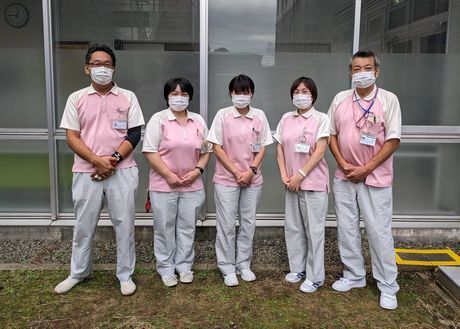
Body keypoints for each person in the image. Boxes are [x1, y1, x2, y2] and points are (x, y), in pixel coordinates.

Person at [55, 44, 144, 296]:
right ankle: (78, 272)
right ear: (87, 68)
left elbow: (135, 133)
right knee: (83, 224)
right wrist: (97, 160)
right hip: (86, 172)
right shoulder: (76, 98)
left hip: (123, 170)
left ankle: (125, 274)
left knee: (124, 223)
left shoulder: (128, 96)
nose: (102, 69)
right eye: (97, 64)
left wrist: (112, 160)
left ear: (114, 68)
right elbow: (72, 137)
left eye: (107, 64)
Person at [327, 50, 402, 310]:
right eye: (356, 69)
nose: (361, 73)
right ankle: (355, 275)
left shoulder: (388, 100)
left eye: (366, 68)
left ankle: (388, 285)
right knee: (347, 229)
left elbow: (393, 140)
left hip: (375, 179)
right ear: (350, 72)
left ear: (376, 71)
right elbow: (332, 135)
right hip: (345, 176)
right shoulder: (340, 99)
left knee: (379, 233)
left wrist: (366, 168)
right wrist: (343, 163)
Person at [142, 78, 211, 287]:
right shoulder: (159, 119)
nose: (179, 98)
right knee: (164, 227)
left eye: (183, 94)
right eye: (174, 94)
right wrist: (168, 175)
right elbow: (150, 151)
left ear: (190, 97)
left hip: (192, 184)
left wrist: (197, 171)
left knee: (187, 227)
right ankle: (166, 268)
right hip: (164, 185)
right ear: (167, 96)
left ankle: (184, 266)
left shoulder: (198, 120)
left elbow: (206, 151)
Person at [207, 74, 273, 287]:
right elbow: (216, 146)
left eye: (245, 92)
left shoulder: (259, 115)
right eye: (237, 92)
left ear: (252, 93)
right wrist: (236, 172)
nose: (241, 96)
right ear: (230, 93)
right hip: (227, 179)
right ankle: (227, 267)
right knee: (226, 224)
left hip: (252, 179)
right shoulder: (223, 115)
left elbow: (263, 146)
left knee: (248, 223)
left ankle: (243, 264)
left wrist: (251, 171)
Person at [273, 77, 330, 293]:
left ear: (313, 94)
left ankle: (315, 276)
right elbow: (279, 147)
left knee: (314, 231)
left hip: (312, 183)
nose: (300, 95)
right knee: (294, 228)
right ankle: (298, 269)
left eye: (304, 91)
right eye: (296, 91)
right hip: (290, 183)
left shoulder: (321, 118)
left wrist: (300, 175)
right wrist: (284, 175)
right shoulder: (286, 118)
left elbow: (320, 150)